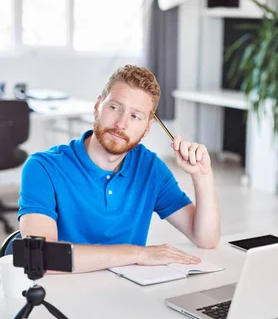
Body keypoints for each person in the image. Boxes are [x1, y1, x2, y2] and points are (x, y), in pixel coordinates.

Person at [18, 65, 220, 273]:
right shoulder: (43, 167)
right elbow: (40, 257)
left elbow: (206, 238)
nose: (121, 124)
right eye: (115, 108)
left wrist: (202, 176)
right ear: (97, 106)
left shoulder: (151, 168)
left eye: (135, 116)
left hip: (124, 294)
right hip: (60, 294)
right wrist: (138, 254)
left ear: (147, 128)